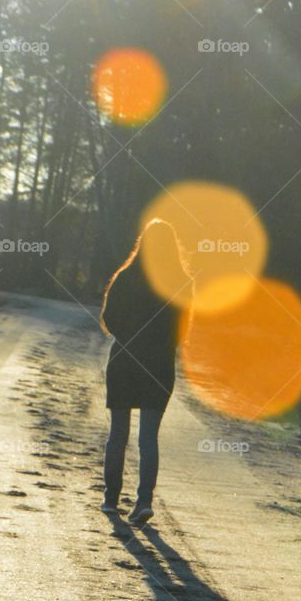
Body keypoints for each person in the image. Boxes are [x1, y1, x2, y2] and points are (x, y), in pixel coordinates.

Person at [99, 219, 192, 523]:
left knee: (118, 434)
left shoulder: (126, 278)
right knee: (148, 437)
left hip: (124, 361)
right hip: (159, 365)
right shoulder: (181, 283)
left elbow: (109, 319)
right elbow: (182, 332)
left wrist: (130, 337)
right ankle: (144, 502)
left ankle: (111, 500)